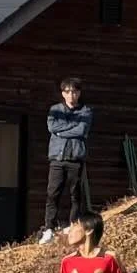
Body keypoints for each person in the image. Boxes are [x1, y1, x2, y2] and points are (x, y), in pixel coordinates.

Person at [40, 77, 93, 244]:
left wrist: (61, 132)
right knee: (52, 193)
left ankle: (73, 223)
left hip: (76, 157)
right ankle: (49, 228)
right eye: (68, 91)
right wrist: (71, 128)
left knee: (75, 194)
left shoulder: (85, 111)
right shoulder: (55, 110)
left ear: (79, 93)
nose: (72, 95)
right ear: (63, 93)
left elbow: (82, 129)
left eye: (75, 91)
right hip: (57, 158)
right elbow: (52, 128)